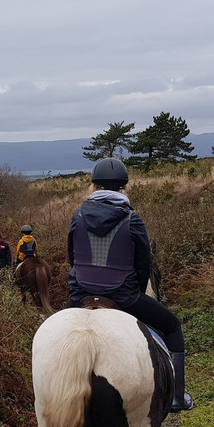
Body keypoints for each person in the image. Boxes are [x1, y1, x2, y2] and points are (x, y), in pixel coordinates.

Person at [66, 158, 194, 412]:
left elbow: (72, 257)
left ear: (94, 186)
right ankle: (177, 398)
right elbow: (143, 266)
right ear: (122, 188)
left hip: (79, 293)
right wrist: (130, 290)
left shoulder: (77, 215)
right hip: (122, 295)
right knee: (172, 326)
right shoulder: (132, 219)